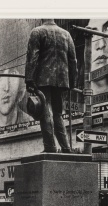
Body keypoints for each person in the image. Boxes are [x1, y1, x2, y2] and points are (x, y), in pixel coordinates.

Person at [25, 19, 78, 153]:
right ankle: (66, 147)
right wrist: (72, 82)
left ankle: (50, 147)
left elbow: (33, 57)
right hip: (62, 80)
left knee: (45, 112)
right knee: (58, 113)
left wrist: (29, 79)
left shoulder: (37, 32)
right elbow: (73, 60)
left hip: (43, 78)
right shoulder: (66, 34)